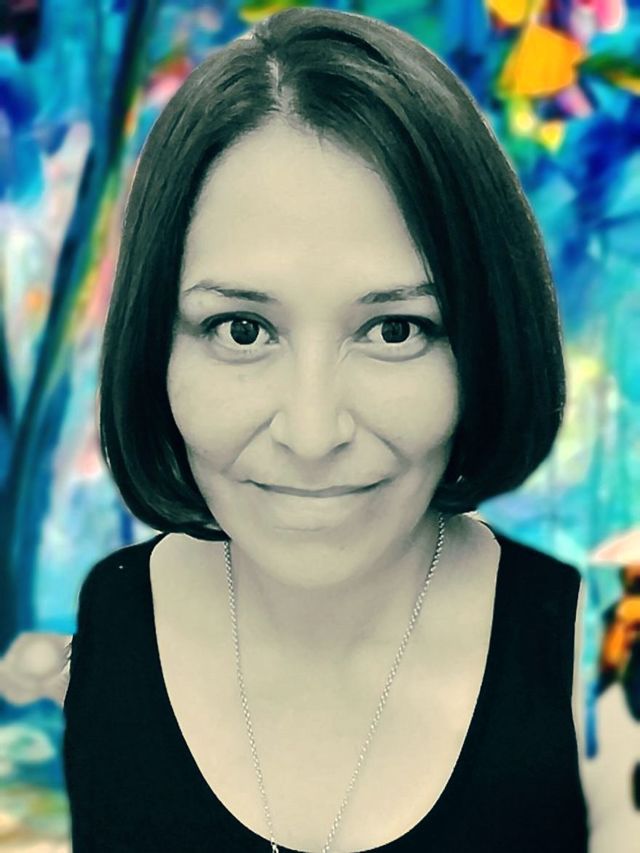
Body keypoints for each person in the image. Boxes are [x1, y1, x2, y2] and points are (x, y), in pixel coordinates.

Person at [62, 7, 604, 852]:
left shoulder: (596, 666)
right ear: (154, 346)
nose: (313, 435)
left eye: (395, 329)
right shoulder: (112, 618)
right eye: (242, 329)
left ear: (486, 338)